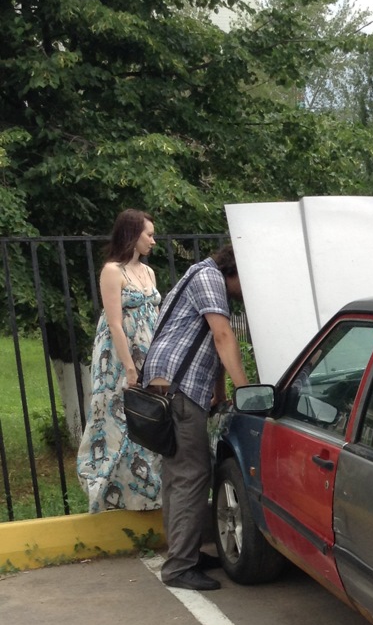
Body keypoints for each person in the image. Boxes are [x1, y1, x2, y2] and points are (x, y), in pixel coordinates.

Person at [140, 243, 249, 592]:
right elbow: (221, 336)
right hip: (180, 389)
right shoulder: (210, 277)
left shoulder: (200, 275)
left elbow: (205, 344)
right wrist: (247, 389)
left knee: (178, 477)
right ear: (236, 270)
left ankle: (184, 553)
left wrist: (219, 390)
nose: (245, 293)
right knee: (192, 475)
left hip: (170, 387)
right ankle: (179, 567)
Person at [76, 208, 163, 512]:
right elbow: (114, 323)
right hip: (117, 358)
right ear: (132, 234)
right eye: (149, 235)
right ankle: (112, 497)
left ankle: (148, 496)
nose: (153, 240)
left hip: (149, 352)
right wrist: (128, 366)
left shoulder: (148, 272)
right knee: (117, 423)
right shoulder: (112, 271)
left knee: (148, 422)